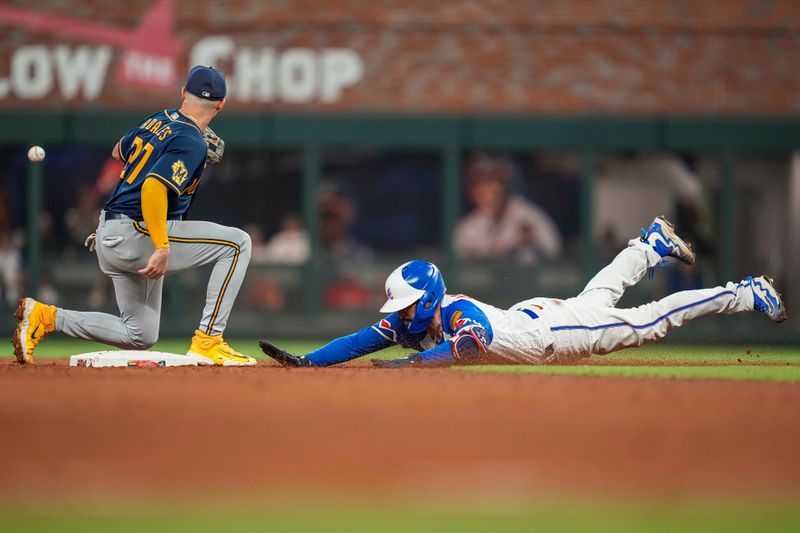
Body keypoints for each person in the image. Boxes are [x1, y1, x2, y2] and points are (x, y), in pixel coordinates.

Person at [260, 217, 786, 367]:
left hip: (556, 334)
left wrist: (398, 368)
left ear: (426, 299)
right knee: (600, 293)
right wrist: (309, 363)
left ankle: (745, 293)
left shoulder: (460, 312)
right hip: (532, 318)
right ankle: (648, 246)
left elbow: (466, 345)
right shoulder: (408, 321)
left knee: (648, 321)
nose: (398, 316)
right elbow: (358, 339)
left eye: (404, 305)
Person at [12, 66, 255, 366]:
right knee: (237, 244)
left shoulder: (157, 119)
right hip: (138, 232)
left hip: (110, 232)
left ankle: (46, 317)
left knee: (140, 334)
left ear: (182, 93)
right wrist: (162, 246)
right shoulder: (193, 141)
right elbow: (152, 188)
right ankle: (209, 341)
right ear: (222, 104)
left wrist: (167, 147)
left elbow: (118, 152)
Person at [454, 154, 562, 263]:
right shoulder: (468, 226)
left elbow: (553, 255)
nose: (488, 194)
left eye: (494, 185)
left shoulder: (531, 217)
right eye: (483, 186)